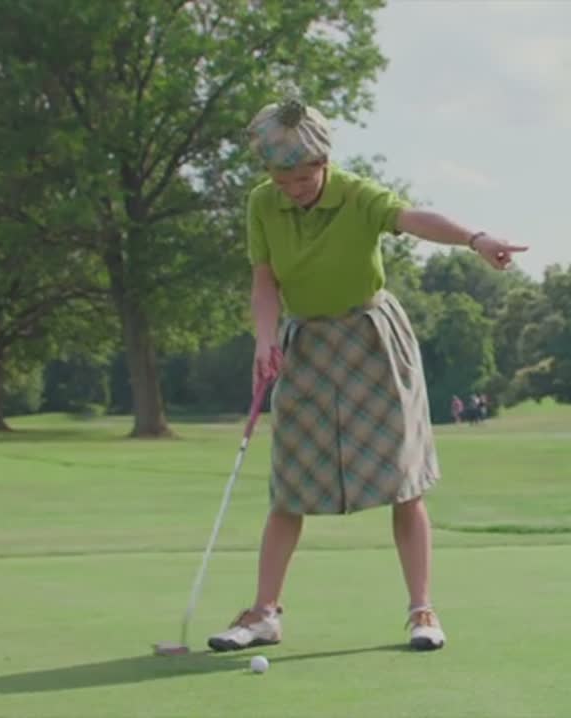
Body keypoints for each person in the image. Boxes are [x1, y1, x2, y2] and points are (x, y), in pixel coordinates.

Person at [206, 97, 527, 653]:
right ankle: (264, 615)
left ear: (324, 162)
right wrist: (264, 337)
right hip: (305, 342)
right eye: (283, 179)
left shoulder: (357, 194)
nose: (294, 188)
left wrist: (476, 240)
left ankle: (422, 611)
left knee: (405, 483)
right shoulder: (262, 203)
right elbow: (264, 280)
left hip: (372, 340)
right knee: (288, 487)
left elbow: (414, 219)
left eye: (304, 177)